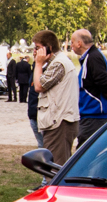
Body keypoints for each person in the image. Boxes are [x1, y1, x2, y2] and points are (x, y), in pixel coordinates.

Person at [32, 30, 78, 161]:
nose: (34, 52)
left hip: (59, 122)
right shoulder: (58, 62)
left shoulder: (59, 63)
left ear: (49, 47)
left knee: (55, 165)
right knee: (56, 163)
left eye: (37, 48)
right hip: (59, 121)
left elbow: (39, 86)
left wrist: (38, 64)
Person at [71, 30, 107, 147]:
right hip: (88, 114)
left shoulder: (93, 57)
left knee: (85, 153)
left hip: (94, 114)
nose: (71, 46)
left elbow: (105, 83)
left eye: (72, 43)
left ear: (79, 43)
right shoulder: (88, 57)